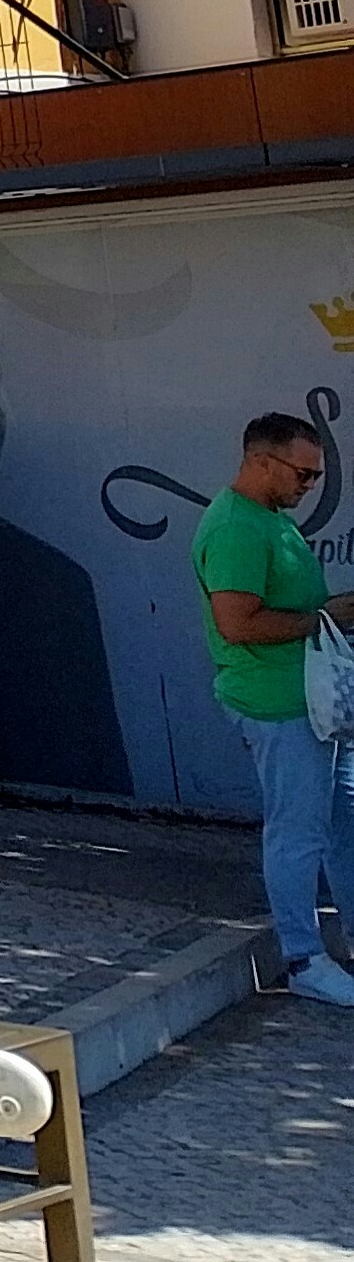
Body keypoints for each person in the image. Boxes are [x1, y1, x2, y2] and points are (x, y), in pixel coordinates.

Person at [195, 412, 354, 1005]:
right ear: (262, 461)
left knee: (341, 825)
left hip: (311, 703)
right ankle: (303, 958)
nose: (310, 484)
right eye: (304, 473)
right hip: (276, 704)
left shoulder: (268, 519)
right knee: (299, 832)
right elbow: (237, 625)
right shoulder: (237, 527)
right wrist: (328, 617)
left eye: (316, 475)